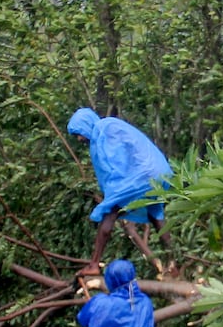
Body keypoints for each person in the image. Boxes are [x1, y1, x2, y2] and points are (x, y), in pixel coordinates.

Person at [66, 107, 179, 280]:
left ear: (86, 124)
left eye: (79, 133)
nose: (80, 139)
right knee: (156, 214)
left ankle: (94, 265)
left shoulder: (103, 130)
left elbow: (112, 165)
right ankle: (173, 264)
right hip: (157, 172)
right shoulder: (109, 127)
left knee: (109, 212)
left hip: (142, 174)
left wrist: (113, 196)